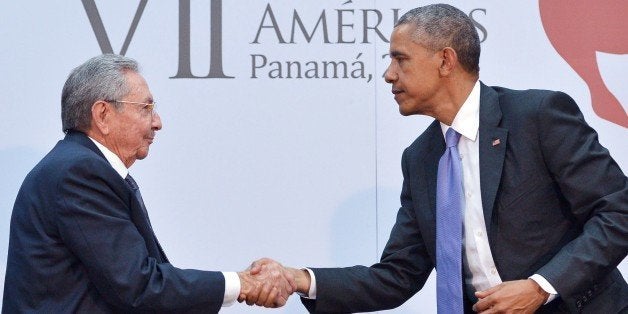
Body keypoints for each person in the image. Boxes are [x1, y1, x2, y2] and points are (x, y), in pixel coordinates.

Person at [246, 4, 628, 313]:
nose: (387, 75)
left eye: (400, 60)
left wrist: (540, 287)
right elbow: (397, 275)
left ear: (446, 61)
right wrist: (299, 278)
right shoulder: (421, 159)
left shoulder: (538, 116)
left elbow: (617, 212)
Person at [2, 54, 296, 313]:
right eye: (146, 108)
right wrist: (240, 284)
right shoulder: (78, 173)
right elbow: (137, 285)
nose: (157, 122)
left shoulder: (81, 167)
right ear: (103, 114)